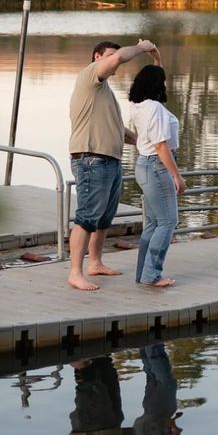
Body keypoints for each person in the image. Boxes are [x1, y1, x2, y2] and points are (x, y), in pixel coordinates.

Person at [68, 38, 160, 292]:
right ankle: (75, 272)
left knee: (104, 218)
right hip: (91, 158)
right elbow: (119, 58)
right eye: (110, 55)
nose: (115, 59)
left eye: (115, 55)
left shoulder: (105, 92)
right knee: (86, 217)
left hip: (110, 160)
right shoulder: (89, 77)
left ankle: (95, 263)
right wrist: (141, 49)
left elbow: (120, 131)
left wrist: (150, 142)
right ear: (97, 58)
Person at [128, 64, 186, 287]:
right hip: (157, 165)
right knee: (168, 222)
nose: (165, 84)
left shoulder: (138, 105)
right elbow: (161, 146)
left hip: (144, 164)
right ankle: (152, 275)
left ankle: (143, 273)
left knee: (153, 223)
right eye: (162, 81)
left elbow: (154, 74)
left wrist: (156, 58)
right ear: (157, 85)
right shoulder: (156, 109)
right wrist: (177, 175)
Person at [130, 343, 182, 435]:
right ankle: (144, 344)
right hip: (145, 433)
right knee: (152, 377)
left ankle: (152, 341)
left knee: (167, 383)